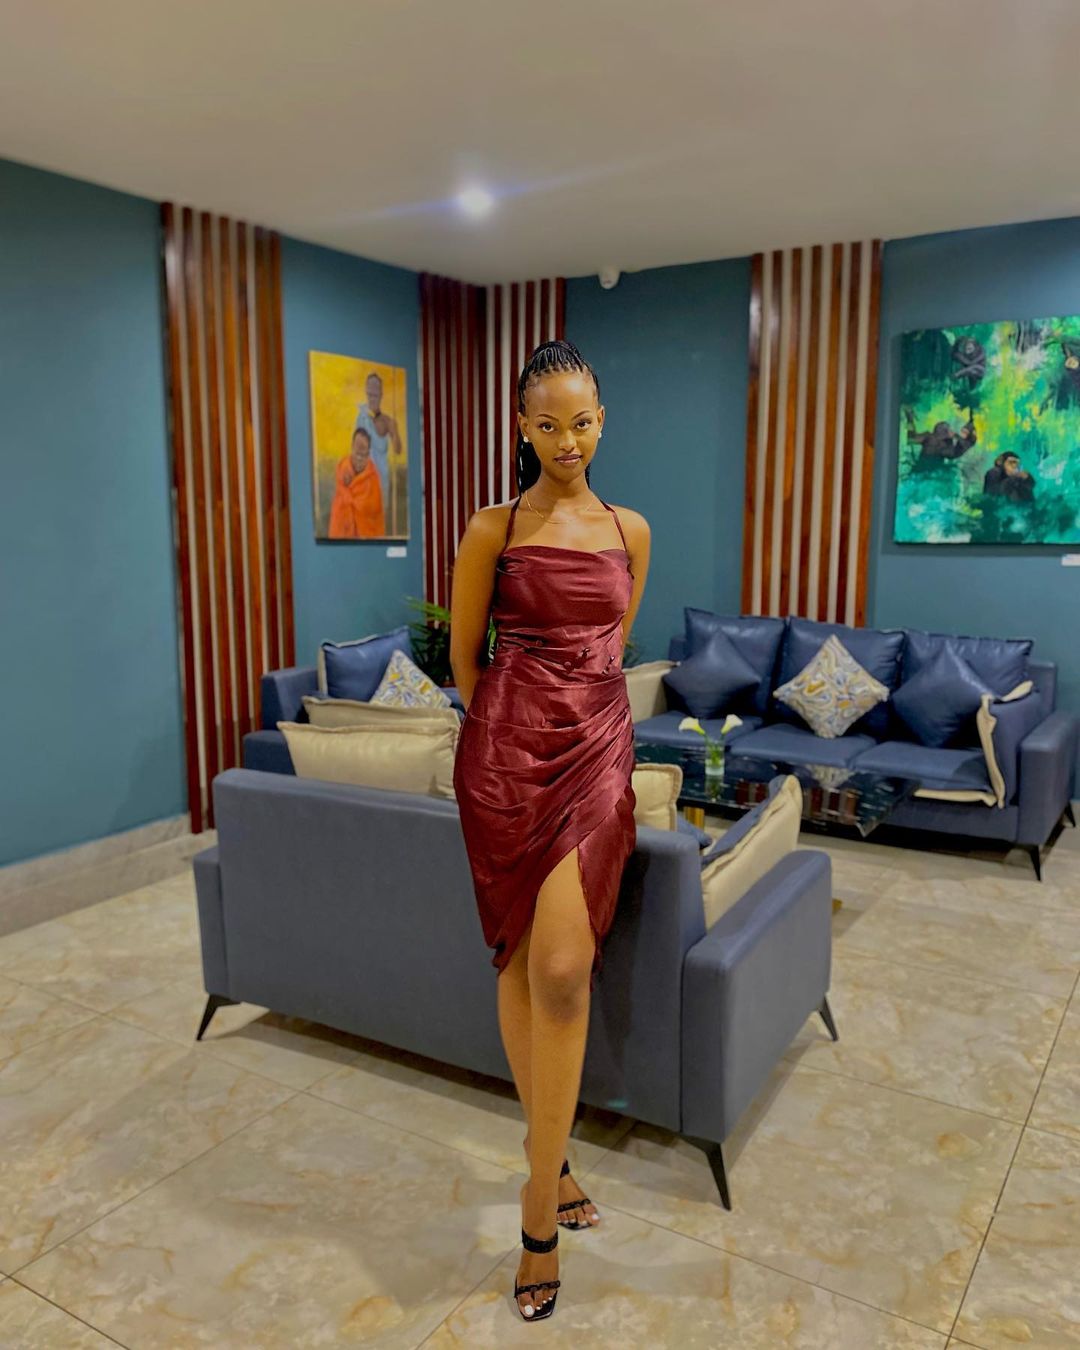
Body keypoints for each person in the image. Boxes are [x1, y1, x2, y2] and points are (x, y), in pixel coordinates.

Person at [450, 340, 650, 1322]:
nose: (566, 440)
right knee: (522, 959)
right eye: (547, 424)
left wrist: (584, 724)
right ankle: (554, 1166)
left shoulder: (629, 530)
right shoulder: (492, 528)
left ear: (601, 421)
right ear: (522, 429)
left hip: (597, 748)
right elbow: (465, 660)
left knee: (565, 970)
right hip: (504, 756)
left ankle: (537, 1202)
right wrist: (505, 737)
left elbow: (611, 646)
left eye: (581, 421)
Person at [353, 371, 402, 511]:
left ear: (381, 394)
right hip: (364, 480)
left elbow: (398, 450)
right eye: (369, 394)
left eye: (375, 394)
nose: (371, 398)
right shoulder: (362, 418)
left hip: (381, 481)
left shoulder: (387, 421)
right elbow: (356, 451)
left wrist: (395, 431)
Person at [327, 427, 386, 538]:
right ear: (352, 448)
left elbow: (374, 508)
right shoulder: (342, 467)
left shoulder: (373, 476)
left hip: (366, 537)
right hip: (342, 532)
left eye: (363, 455)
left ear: (368, 454)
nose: (359, 459)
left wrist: (356, 503)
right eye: (357, 453)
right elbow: (341, 495)